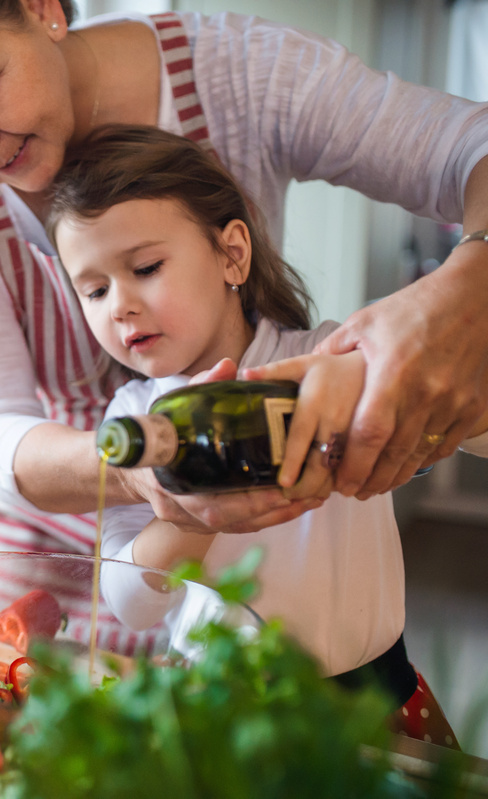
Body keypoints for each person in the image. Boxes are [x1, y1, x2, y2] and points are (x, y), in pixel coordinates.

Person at [0, 0, 488, 551]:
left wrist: (463, 288)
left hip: (245, 564)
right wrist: (144, 468)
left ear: (42, 9)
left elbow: (470, 149)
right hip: (48, 564)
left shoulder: (243, 73)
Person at [46, 124, 488, 744]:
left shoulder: (329, 356)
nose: (118, 305)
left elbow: (474, 431)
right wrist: (188, 514)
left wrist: (388, 390)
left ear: (232, 254)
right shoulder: (133, 420)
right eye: (93, 289)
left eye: (145, 267)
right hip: (217, 720)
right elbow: (131, 604)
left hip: (374, 710)